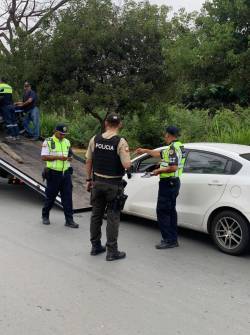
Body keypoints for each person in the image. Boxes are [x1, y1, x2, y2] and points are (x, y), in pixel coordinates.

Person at [86, 113, 131, 261]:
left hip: (97, 183)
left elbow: (88, 161)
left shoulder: (95, 139)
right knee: (112, 218)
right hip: (113, 185)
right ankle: (112, 251)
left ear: (106, 123)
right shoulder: (121, 142)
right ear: (119, 125)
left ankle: (95, 246)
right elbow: (126, 165)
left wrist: (88, 179)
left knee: (96, 215)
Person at [136, 126, 186, 249]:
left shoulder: (172, 149)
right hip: (174, 182)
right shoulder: (179, 146)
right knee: (171, 211)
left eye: (165, 134)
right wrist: (144, 151)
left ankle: (168, 240)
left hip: (168, 183)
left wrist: (158, 171)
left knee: (162, 211)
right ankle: (173, 239)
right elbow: (158, 154)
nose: (164, 136)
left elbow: (173, 167)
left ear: (169, 135)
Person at [41, 124, 79, 228]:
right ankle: (45, 216)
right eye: (61, 134)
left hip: (65, 173)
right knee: (51, 196)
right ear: (55, 131)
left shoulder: (67, 142)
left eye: (65, 134)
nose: (63, 136)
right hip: (53, 173)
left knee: (67, 197)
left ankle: (69, 220)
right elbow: (44, 157)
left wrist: (70, 157)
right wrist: (58, 157)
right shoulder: (48, 141)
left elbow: (70, 153)